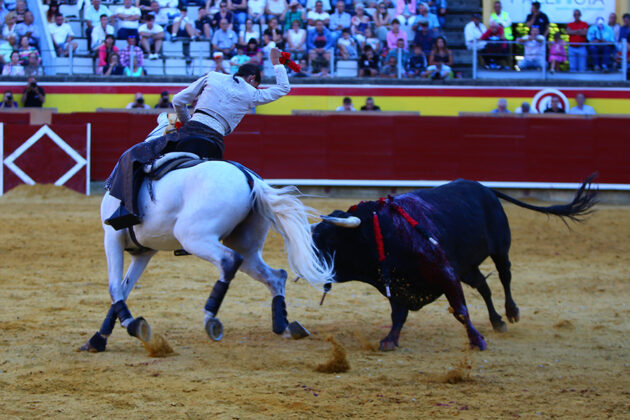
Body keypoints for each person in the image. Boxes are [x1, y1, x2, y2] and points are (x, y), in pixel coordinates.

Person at [104, 48, 290, 229]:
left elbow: (178, 100)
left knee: (134, 154)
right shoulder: (252, 93)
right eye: (256, 83)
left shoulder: (213, 77)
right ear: (251, 79)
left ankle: (127, 210)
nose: (256, 87)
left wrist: (186, 122)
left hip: (189, 134)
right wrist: (276, 64)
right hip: (214, 145)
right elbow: (283, 88)